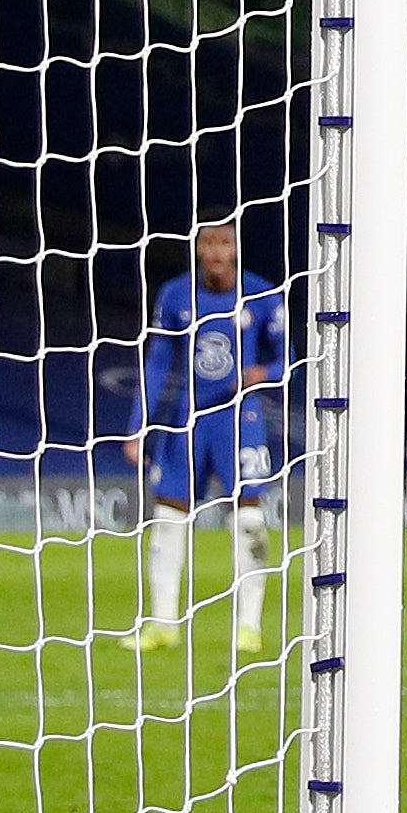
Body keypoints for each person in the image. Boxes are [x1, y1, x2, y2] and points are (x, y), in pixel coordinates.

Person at [121, 221, 285, 653]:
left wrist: (262, 374)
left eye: (225, 241)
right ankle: (163, 625)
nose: (215, 250)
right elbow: (157, 362)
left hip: (239, 420)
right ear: (196, 247)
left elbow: (290, 361)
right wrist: (140, 425)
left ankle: (249, 627)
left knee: (248, 519)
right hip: (187, 421)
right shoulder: (176, 295)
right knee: (167, 517)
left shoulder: (263, 294)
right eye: (207, 241)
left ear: (236, 247)